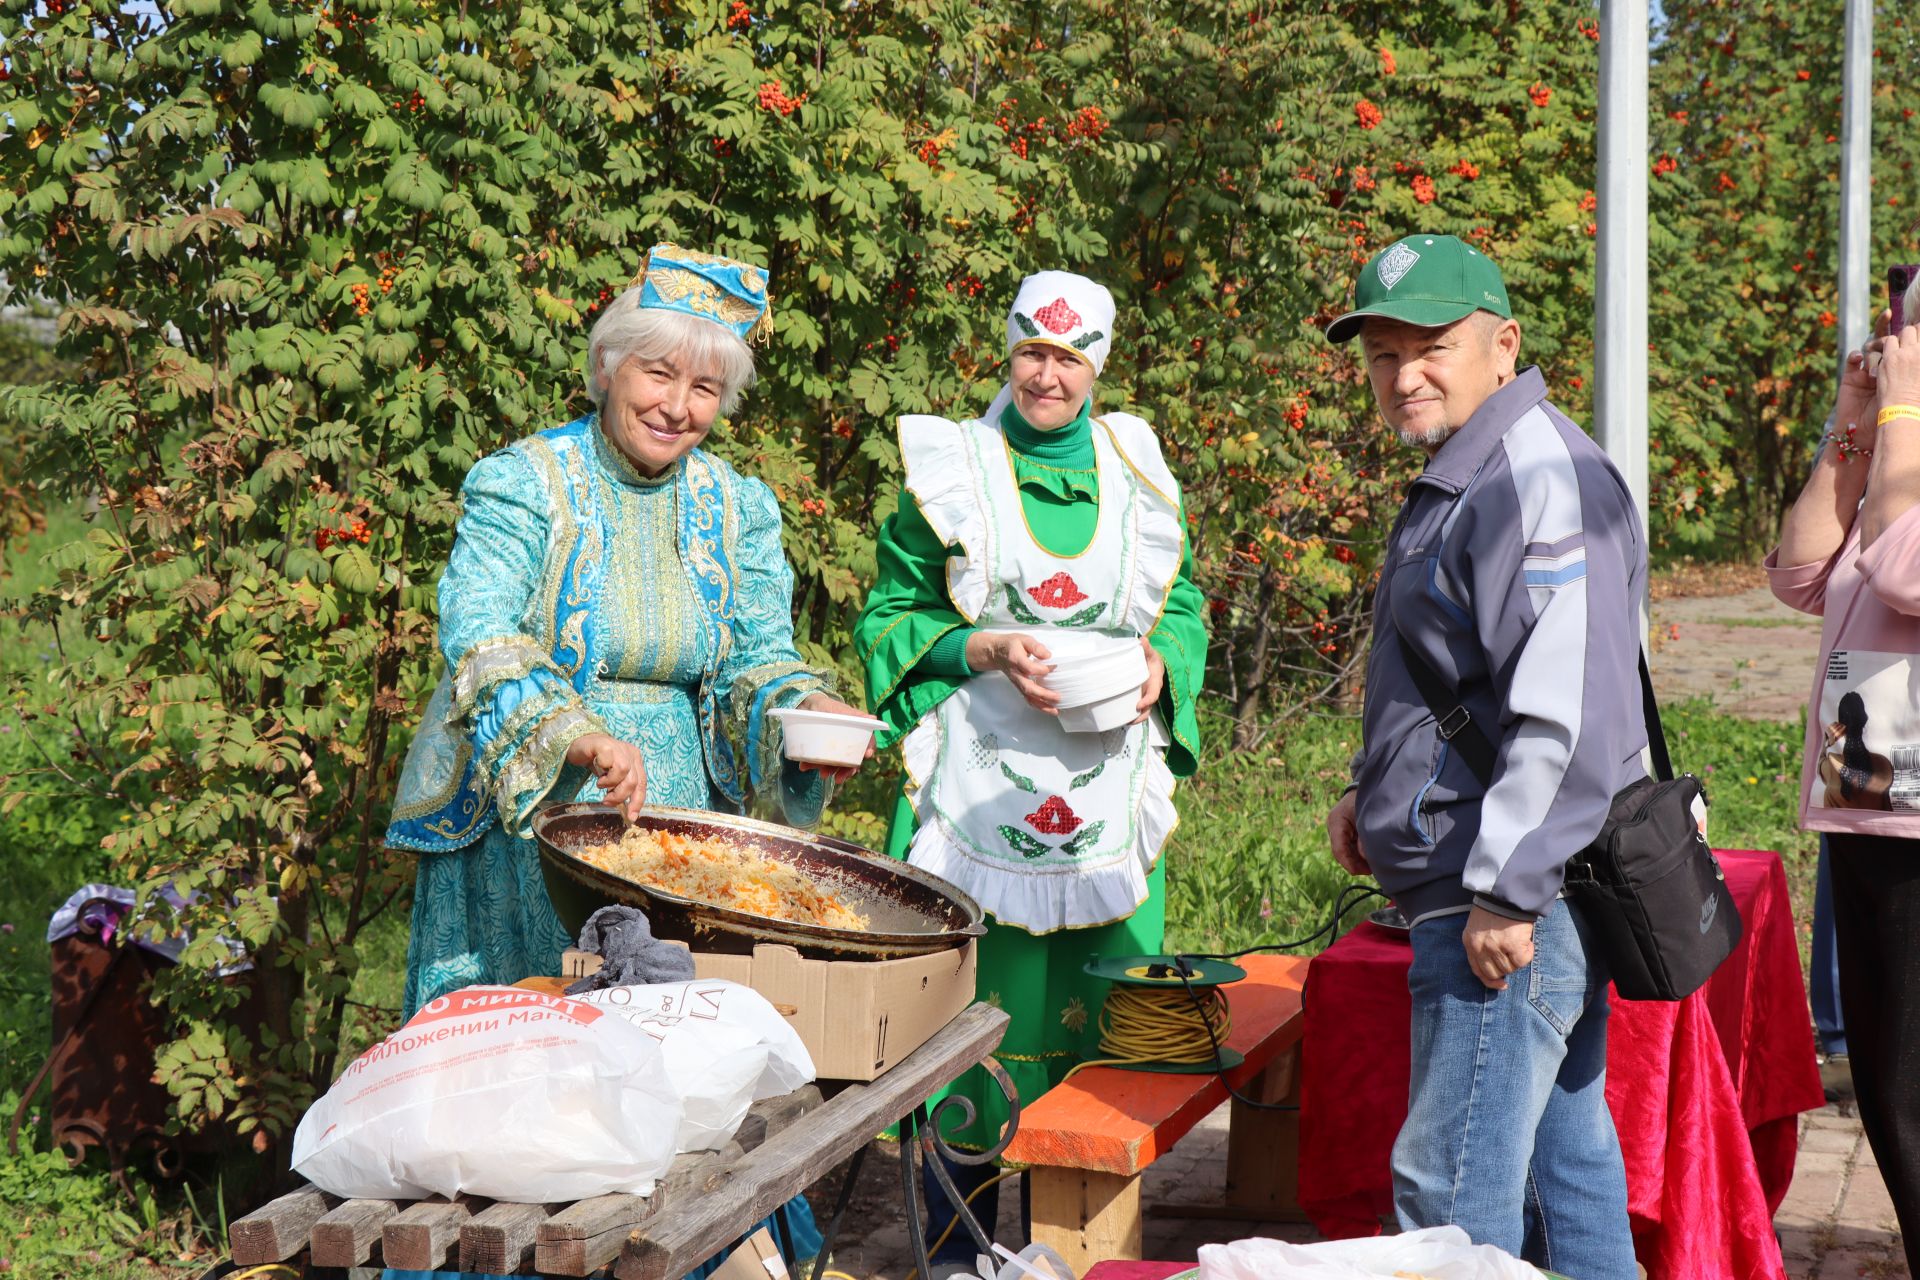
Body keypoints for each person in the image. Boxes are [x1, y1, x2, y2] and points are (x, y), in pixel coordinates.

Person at [382, 245, 872, 1272]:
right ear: (607, 366)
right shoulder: (522, 480)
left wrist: (800, 711)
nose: (678, 404)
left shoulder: (737, 508)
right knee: (527, 1069)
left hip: (666, 827)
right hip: (525, 805)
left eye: (705, 385)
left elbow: (754, 657)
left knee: (656, 1067)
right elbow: (476, 625)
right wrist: (571, 729)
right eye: (659, 373)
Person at [853, 271, 1207, 1262]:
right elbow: (889, 615)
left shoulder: (1136, 467)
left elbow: (1182, 600)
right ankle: (958, 1250)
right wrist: (989, 648)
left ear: (1098, 362)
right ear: (1008, 351)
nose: (1048, 376)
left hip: (1103, 793)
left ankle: (1086, 1251)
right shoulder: (952, 468)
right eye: (1033, 353)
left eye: (1069, 357)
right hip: (981, 782)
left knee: (1102, 1022)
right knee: (972, 1029)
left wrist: (1157, 663)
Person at [1322, 234, 1642, 1278]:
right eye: (1381, 352)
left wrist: (1506, 888)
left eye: (1433, 345)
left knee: (1449, 1206)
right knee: (1567, 1169)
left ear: (1503, 344)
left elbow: (1567, 709)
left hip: (1500, 902)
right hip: (1492, 882)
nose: (1403, 373)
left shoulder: (1532, 474)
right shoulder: (1475, 469)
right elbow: (1461, 677)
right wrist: (1370, 795)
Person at [1766, 287, 1920, 1273]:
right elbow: (1799, 568)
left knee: (1912, 1082)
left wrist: (1899, 424)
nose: (1898, 348)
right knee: (1886, 1072)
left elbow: (1907, 571)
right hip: (1872, 784)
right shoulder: (1902, 452)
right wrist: (1852, 429)